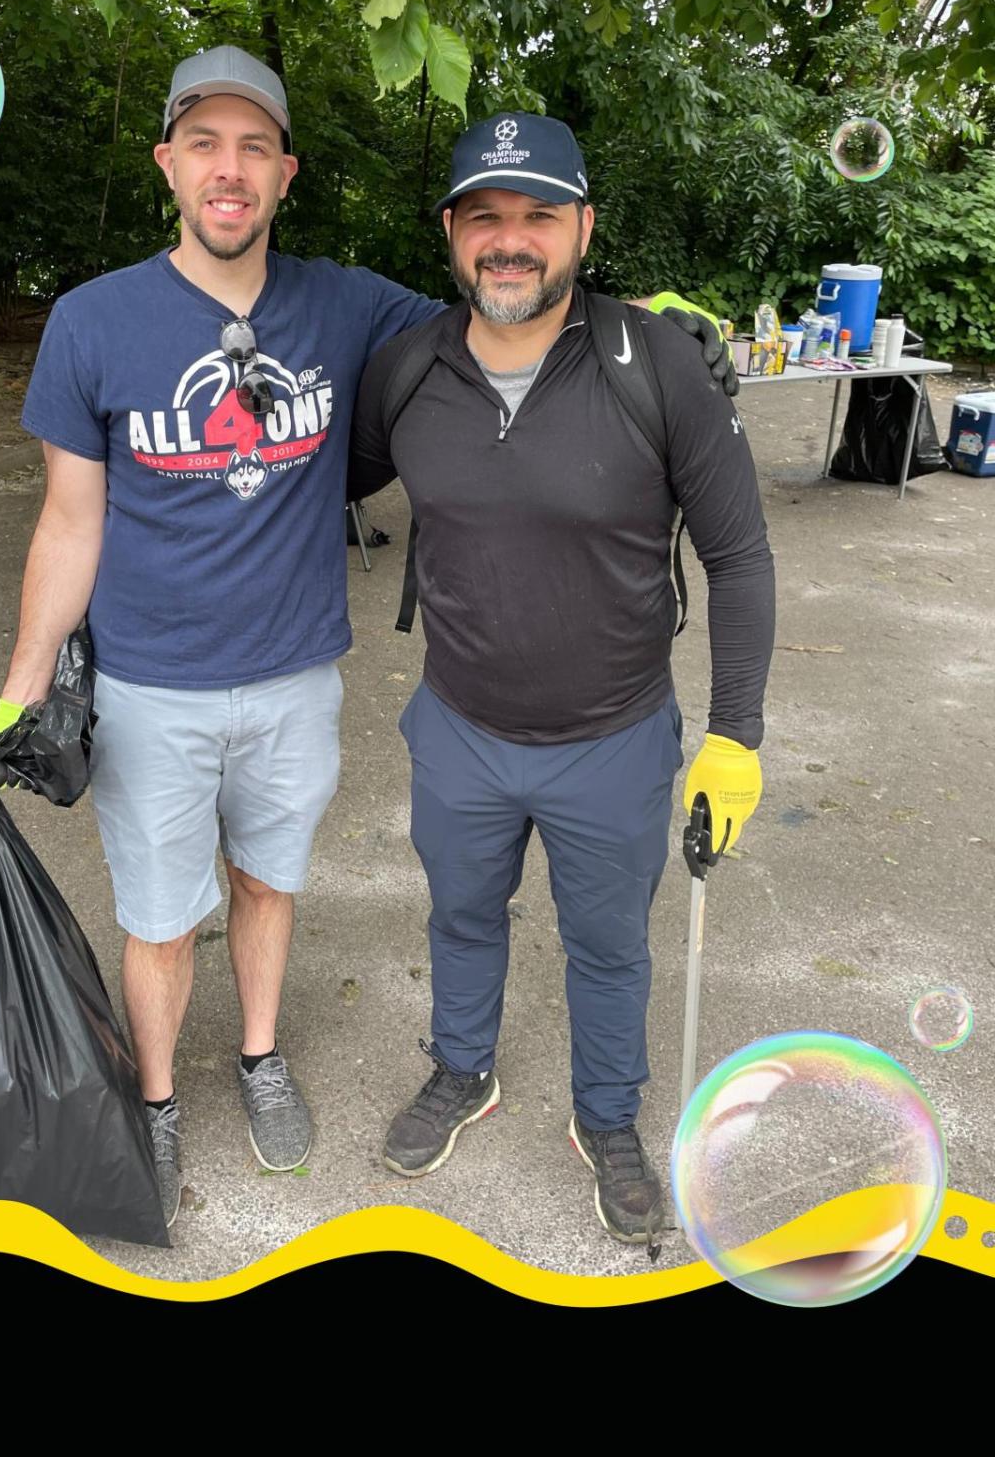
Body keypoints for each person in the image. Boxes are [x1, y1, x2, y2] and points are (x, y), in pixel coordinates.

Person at [0, 48, 738, 1231]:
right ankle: (161, 1100)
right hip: (150, 688)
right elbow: (71, 521)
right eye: (205, 144)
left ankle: (264, 1059)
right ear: (169, 161)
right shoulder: (91, 321)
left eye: (254, 147)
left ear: (286, 169)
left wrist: (645, 327)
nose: (230, 170)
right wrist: (21, 687)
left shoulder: (351, 308)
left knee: (270, 887)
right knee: (161, 916)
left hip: (293, 682)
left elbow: (506, 305)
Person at [347, 113, 775, 1248]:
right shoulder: (407, 370)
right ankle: (462, 1069)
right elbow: (299, 476)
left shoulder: (659, 364)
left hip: (615, 739)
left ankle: (608, 1118)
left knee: (609, 946)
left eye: (539, 214)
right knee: (462, 913)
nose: (511, 240)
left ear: (584, 226)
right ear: (450, 232)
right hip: (459, 726)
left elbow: (738, 553)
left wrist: (737, 733)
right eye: (485, 215)